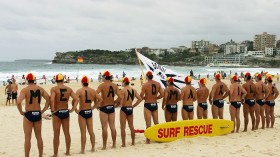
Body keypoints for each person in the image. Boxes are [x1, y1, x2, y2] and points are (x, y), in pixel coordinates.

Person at [16, 73, 50, 157]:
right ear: (34, 80)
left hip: (29, 114)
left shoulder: (25, 90)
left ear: (27, 80)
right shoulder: (40, 89)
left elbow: (18, 102)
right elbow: (48, 99)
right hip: (38, 114)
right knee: (39, 137)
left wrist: (21, 111)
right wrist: (43, 110)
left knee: (27, 138)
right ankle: (40, 156)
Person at [50, 73, 79, 157]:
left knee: (56, 134)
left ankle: (55, 154)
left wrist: (52, 110)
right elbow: (77, 99)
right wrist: (73, 108)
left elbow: (52, 99)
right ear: (63, 80)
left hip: (57, 112)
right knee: (67, 133)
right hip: (65, 111)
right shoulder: (69, 89)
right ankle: (68, 152)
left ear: (56, 80)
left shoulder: (54, 89)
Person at [75, 76, 103, 153]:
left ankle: (83, 150)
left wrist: (75, 109)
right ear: (88, 82)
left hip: (82, 112)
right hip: (89, 111)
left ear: (82, 83)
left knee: (83, 132)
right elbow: (100, 99)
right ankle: (93, 148)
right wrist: (93, 107)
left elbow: (75, 101)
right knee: (91, 131)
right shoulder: (93, 91)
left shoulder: (79, 91)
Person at [96, 71, 121, 149]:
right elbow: (120, 97)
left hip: (104, 107)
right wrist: (115, 103)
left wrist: (97, 104)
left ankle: (104, 146)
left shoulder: (102, 86)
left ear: (104, 77)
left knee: (104, 127)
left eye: (103, 77)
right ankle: (114, 144)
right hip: (111, 107)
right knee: (112, 127)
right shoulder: (114, 86)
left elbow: (95, 95)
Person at [140, 71, 163, 144]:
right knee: (156, 122)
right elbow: (162, 94)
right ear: (152, 76)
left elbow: (141, 96)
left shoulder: (145, 85)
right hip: (154, 104)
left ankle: (148, 140)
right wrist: (156, 98)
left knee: (148, 123)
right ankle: (158, 138)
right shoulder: (158, 84)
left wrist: (144, 98)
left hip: (148, 104)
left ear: (147, 76)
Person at [118, 77, 142, 147]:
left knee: (122, 127)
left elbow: (121, 102)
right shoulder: (133, 90)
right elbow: (140, 99)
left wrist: (117, 104)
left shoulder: (123, 90)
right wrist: (133, 106)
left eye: (122, 82)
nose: (122, 83)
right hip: (130, 108)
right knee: (131, 126)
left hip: (124, 109)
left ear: (124, 83)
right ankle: (133, 142)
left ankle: (123, 144)